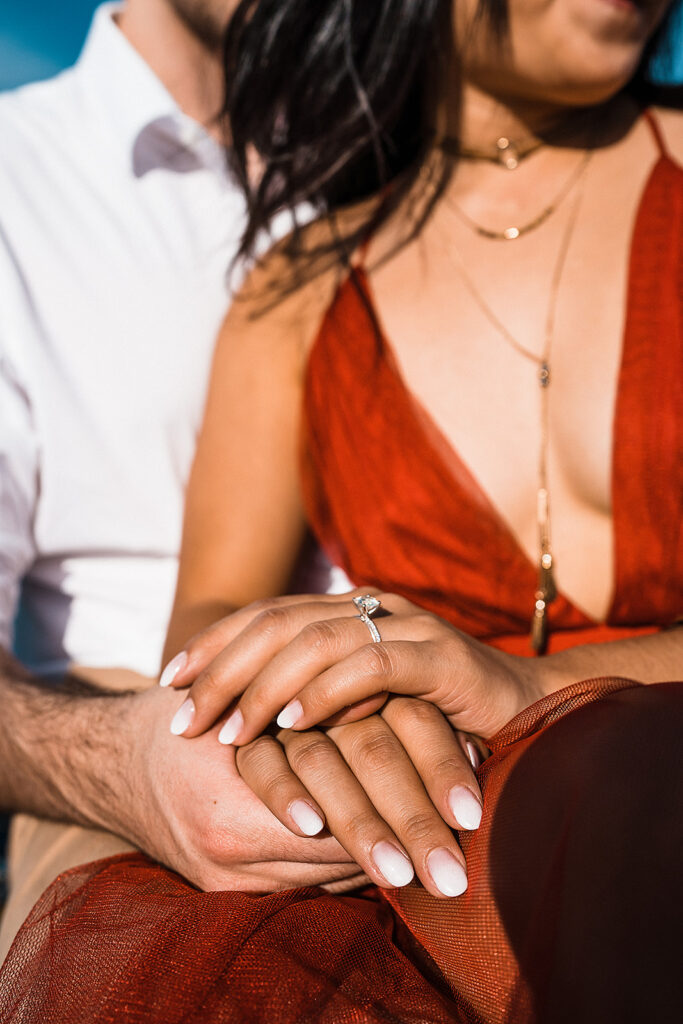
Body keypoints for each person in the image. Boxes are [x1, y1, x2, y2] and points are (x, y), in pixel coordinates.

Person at [2, 0, 682, 1021]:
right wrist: (309, 698)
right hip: (399, 795)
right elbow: (216, 611)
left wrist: (525, 684)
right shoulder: (295, 287)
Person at [0, 0, 415, 963]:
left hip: (423, 714)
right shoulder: (17, 178)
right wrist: (131, 768)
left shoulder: (410, 169)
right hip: (122, 729)